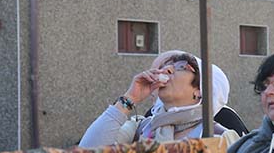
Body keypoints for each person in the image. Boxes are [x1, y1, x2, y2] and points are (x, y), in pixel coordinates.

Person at [79, 51, 236, 147]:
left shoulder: (217, 136)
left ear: (200, 91)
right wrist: (130, 98)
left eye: (182, 66)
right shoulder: (142, 127)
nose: (167, 69)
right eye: (167, 66)